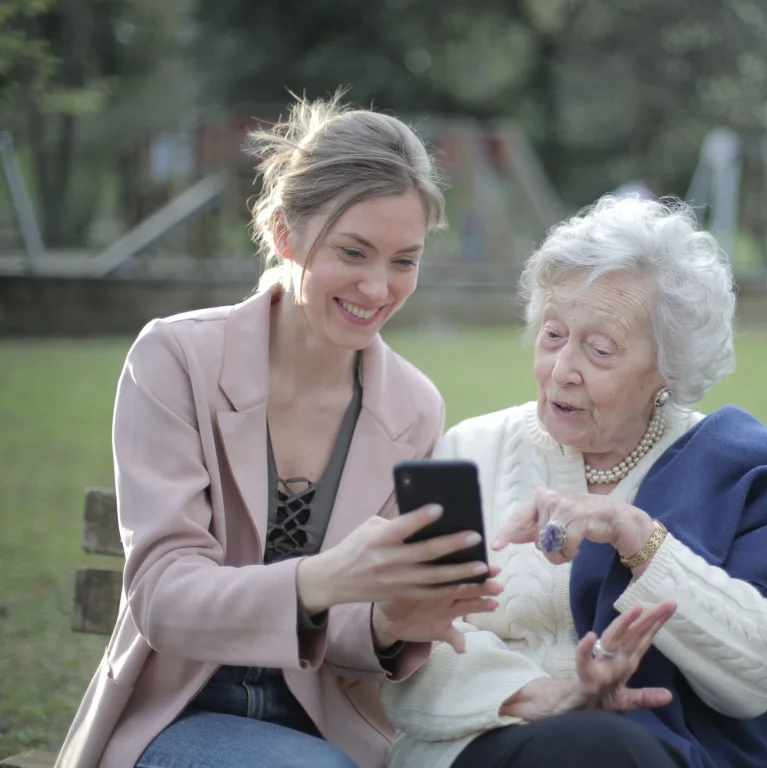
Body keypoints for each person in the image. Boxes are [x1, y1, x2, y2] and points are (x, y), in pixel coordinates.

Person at [55, 95, 503, 768]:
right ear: (283, 232)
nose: (378, 287)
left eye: (404, 260)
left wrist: (388, 622)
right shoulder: (175, 359)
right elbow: (163, 595)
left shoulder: (412, 404)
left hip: (334, 730)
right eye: (353, 251)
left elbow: (351, 627)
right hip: (180, 713)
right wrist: (321, 579)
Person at [381, 196, 767, 768]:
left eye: (599, 349)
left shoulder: (747, 470)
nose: (561, 369)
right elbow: (411, 639)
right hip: (481, 744)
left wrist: (638, 537)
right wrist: (543, 695)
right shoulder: (470, 451)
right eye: (552, 335)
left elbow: (764, 673)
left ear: (670, 367)